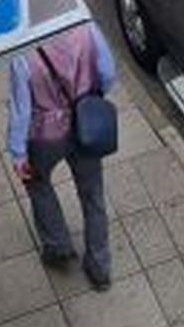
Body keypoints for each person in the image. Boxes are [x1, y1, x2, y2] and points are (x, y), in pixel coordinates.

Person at [7, 20, 119, 291]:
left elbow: (21, 110)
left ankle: (58, 246)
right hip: (85, 127)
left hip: (45, 135)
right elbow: (108, 74)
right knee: (93, 196)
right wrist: (89, 98)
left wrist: (18, 152)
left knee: (37, 183)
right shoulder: (88, 29)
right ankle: (100, 268)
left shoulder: (23, 54)